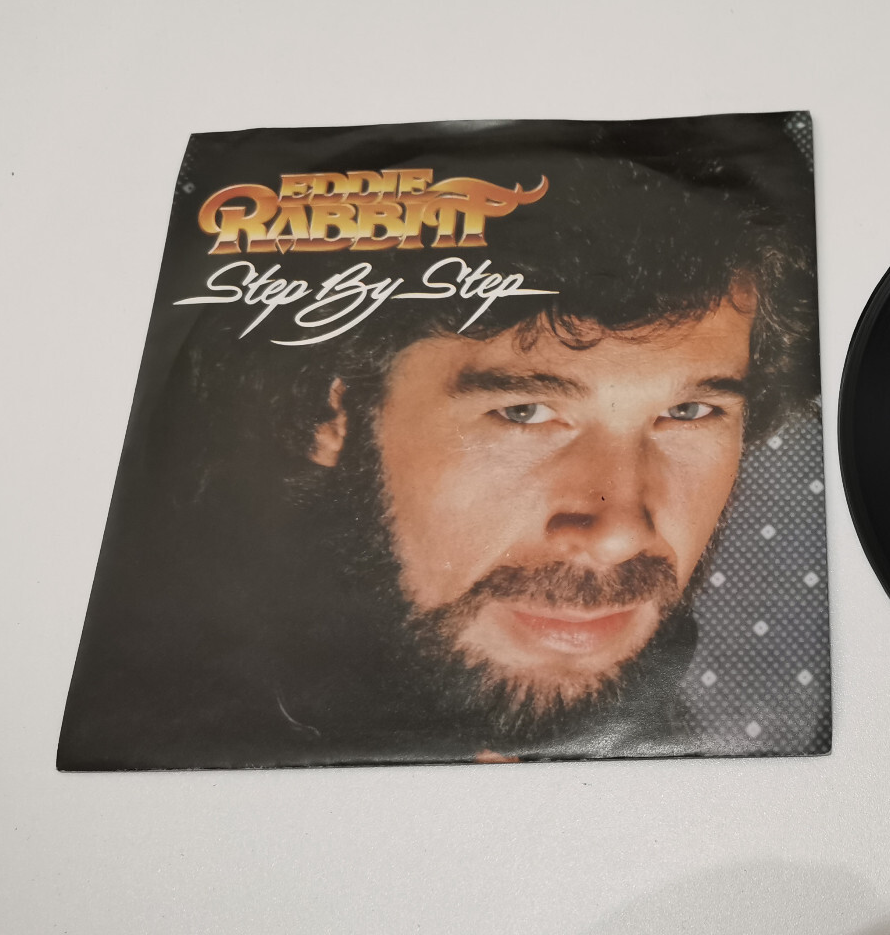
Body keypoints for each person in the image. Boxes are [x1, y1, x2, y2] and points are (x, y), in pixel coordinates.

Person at [59, 130, 820, 768]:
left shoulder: (722, 765)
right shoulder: (154, 752)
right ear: (334, 412)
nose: (619, 530)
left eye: (688, 411)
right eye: (524, 412)